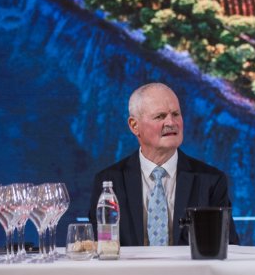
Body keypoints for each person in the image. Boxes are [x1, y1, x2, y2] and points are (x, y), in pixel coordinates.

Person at [87, 83, 239, 246]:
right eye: (160, 116)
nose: (171, 122)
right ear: (134, 126)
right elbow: (99, 247)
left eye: (176, 114)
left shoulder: (211, 181)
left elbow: (228, 246)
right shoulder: (109, 181)